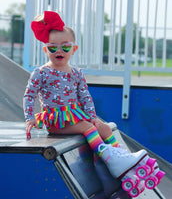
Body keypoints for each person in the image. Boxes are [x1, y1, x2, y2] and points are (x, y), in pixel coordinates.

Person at [23, 11, 164, 198]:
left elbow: (85, 97)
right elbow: (29, 95)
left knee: (103, 128)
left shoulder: (76, 73)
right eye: (52, 47)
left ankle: (124, 159)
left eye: (65, 48)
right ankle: (113, 161)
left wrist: (93, 117)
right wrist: (30, 117)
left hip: (75, 115)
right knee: (88, 128)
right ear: (45, 49)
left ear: (74, 49)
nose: (59, 51)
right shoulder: (41, 73)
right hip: (55, 120)